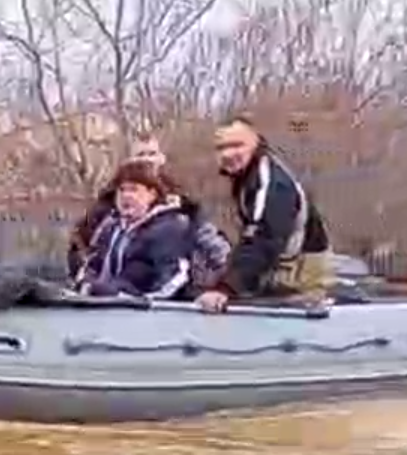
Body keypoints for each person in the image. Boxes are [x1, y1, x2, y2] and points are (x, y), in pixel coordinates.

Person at [194, 115, 332, 313]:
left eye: (237, 145)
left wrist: (226, 288)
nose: (227, 154)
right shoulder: (247, 179)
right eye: (221, 148)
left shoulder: (270, 183)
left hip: (300, 283)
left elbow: (263, 239)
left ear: (256, 143)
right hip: (280, 276)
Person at [68, 133, 231, 296]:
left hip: (149, 300)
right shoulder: (107, 211)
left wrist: (228, 280)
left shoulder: (181, 207)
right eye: (141, 155)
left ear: (162, 158)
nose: (147, 160)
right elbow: (83, 248)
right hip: (111, 297)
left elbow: (204, 241)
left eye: (152, 154)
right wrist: (85, 283)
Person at [72, 160, 193, 299]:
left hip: (150, 314)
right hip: (107, 310)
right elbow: (91, 266)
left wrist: (130, 297)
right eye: (122, 190)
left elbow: (173, 279)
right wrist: (86, 285)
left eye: (134, 190)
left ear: (152, 194)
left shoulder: (170, 229)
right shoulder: (109, 228)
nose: (126, 196)